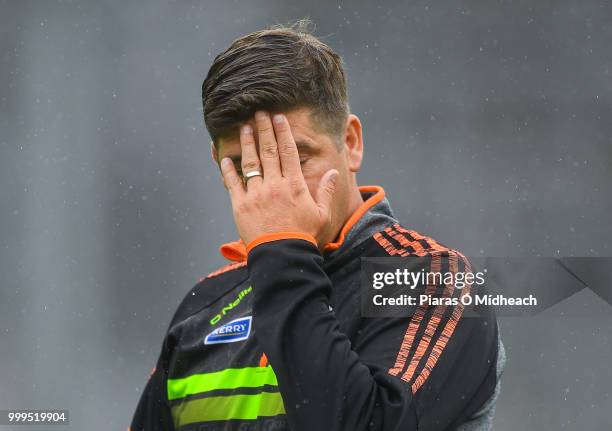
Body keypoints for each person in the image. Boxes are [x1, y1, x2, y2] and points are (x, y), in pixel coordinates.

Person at [130, 21, 505, 431]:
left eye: (296, 157)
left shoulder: (433, 281)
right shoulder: (203, 307)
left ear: (351, 142)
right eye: (245, 166)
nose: (274, 186)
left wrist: (281, 250)